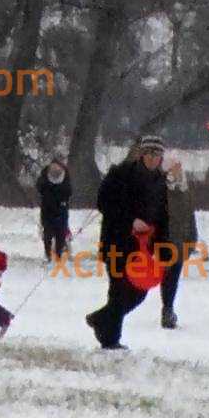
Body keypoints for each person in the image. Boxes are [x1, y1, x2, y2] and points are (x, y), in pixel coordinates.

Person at [85, 136, 168, 350]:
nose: (153, 158)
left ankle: (100, 319)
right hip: (117, 242)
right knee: (119, 290)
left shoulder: (161, 181)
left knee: (139, 292)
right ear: (141, 154)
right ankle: (110, 340)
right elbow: (104, 203)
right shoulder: (120, 174)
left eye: (157, 155)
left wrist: (160, 243)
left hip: (144, 248)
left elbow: (162, 215)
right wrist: (131, 220)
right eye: (149, 153)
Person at [158, 158, 200, 330]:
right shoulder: (161, 189)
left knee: (173, 278)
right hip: (165, 241)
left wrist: (192, 239)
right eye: (175, 167)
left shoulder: (185, 189)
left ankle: (168, 308)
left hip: (182, 242)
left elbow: (190, 216)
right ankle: (167, 309)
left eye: (179, 167)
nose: (178, 170)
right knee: (166, 276)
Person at [36, 159, 71, 262]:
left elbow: (69, 192)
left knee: (61, 233)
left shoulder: (65, 179)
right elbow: (40, 188)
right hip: (47, 211)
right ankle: (48, 254)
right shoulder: (43, 179)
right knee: (48, 234)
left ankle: (58, 253)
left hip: (61, 210)